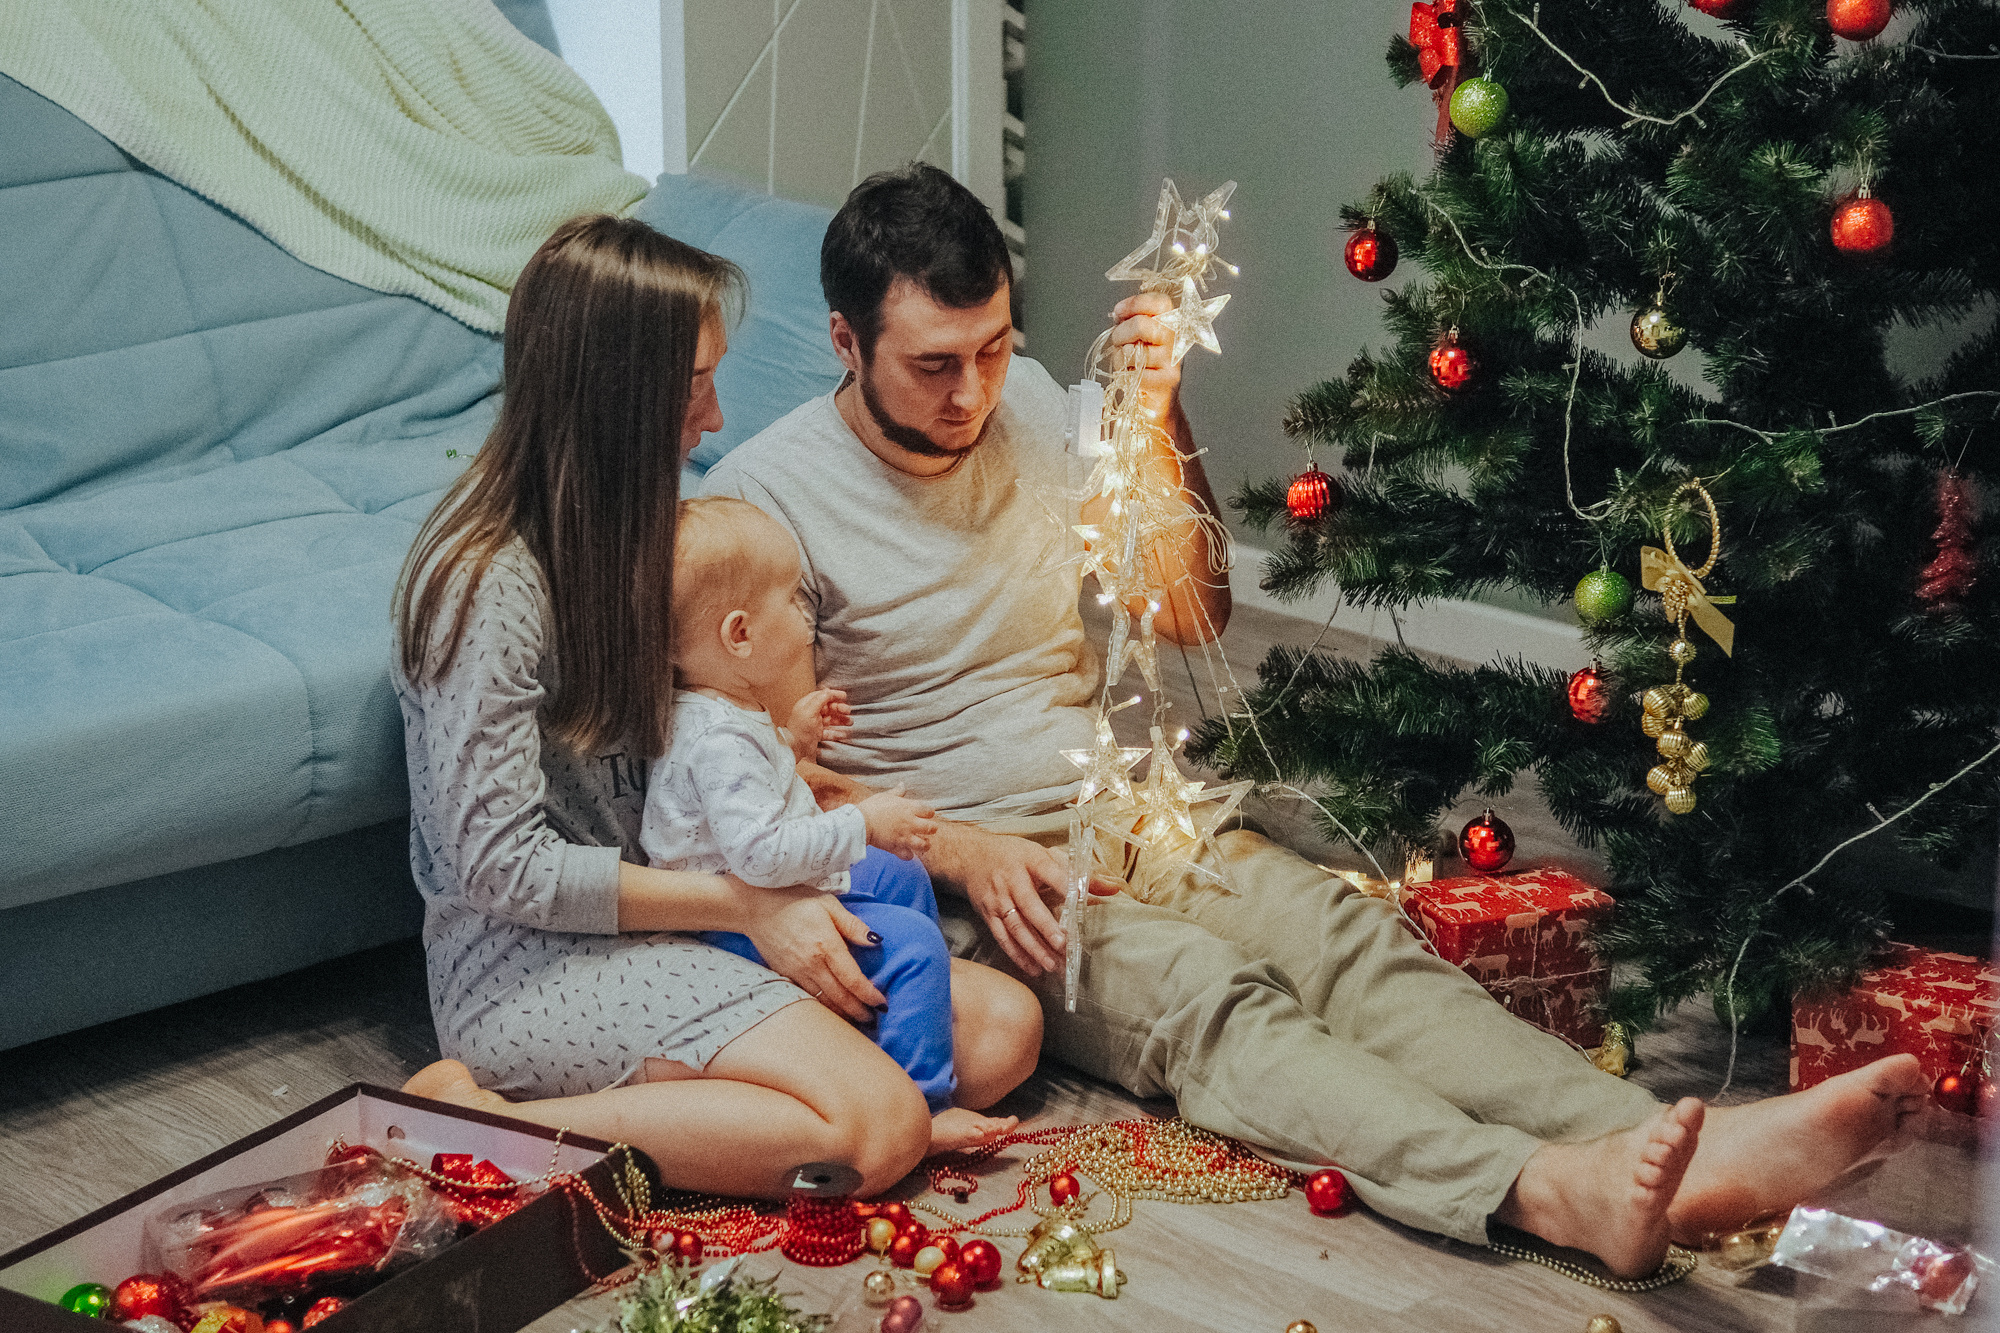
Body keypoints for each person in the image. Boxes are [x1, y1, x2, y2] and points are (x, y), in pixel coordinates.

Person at [703, 163, 1931, 1276]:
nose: (973, 389)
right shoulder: (763, 501)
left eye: (992, 347)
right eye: (933, 364)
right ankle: (1536, 1188)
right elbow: (727, 778)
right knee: (1210, 998)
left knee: (1341, 939)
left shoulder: (1026, 401)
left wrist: (1157, 411)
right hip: (961, 870)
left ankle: (1677, 1146)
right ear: (842, 342)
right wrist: (958, 850)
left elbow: (1188, 610)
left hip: (1119, 807)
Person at [393, 213, 1043, 1199]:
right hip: (534, 965)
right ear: (621, 394)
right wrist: (749, 902)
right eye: (696, 384)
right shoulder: (485, 584)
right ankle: (489, 1123)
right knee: (878, 1130)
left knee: (1000, 1032)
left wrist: (804, 801)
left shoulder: (641, 537)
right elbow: (500, 869)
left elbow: (706, 751)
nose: (713, 417)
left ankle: (735, 1082)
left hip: (683, 907)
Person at [641, 494, 1030, 1150]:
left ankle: (895, 1004)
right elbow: (760, 852)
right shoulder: (717, 741)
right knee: (910, 941)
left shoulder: (725, 707)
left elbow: (748, 802)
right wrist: (862, 821)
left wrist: (792, 741)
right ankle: (920, 1104)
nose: (806, 618)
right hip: (725, 921)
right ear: (739, 635)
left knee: (902, 872)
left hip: (762, 878)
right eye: (792, 602)